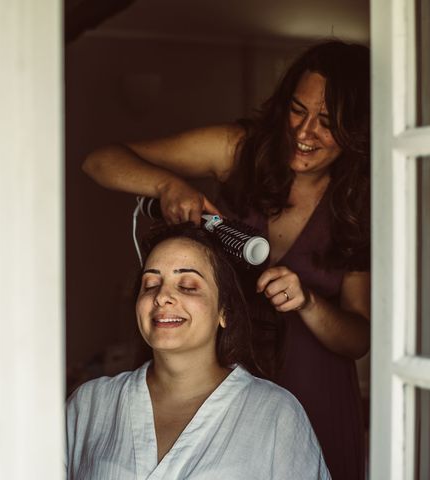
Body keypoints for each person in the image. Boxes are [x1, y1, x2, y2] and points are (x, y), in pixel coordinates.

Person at [82, 40, 370, 479]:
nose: (304, 132)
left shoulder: (356, 201)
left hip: (316, 389)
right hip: (228, 378)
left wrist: (309, 302)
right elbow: (99, 162)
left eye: (327, 122)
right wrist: (165, 186)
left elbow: (358, 338)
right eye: (297, 110)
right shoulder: (239, 151)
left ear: (356, 131)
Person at [66, 224, 330, 479]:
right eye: (150, 285)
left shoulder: (276, 413)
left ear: (224, 311)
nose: (162, 296)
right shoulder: (89, 404)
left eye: (188, 286)